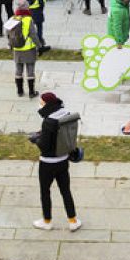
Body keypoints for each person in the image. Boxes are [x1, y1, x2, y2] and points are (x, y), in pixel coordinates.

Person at [30, 92, 81, 232]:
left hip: (47, 163)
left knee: (45, 192)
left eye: (41, 102)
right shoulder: (65, 115)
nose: (40, 104)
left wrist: (35, 140)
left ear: (47, 104)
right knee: (65, 191)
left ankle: (47, 221)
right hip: (63, 160)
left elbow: (44, 146)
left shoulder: (48, 122)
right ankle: (73, 220)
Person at [9, 5, 42, 98]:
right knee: (30, 70)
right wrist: (39, 46)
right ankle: (31, 92)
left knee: (18, 70)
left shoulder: (12, 19)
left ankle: (20, 91)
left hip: (17, 49)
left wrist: (10, 45)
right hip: (29, 49)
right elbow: (33, 35)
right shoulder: (28, 19)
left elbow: (8, 34)